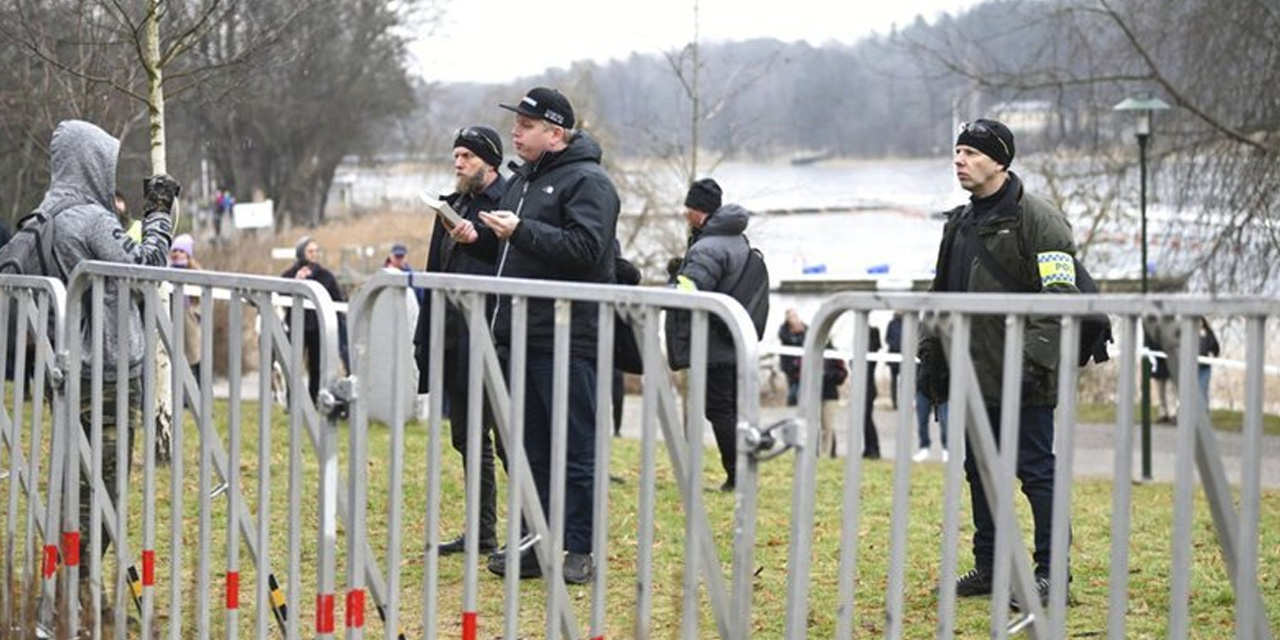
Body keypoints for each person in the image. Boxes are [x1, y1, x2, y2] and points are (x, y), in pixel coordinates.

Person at [919, 118, 1078, 610]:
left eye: (970, 152)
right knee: (980, 471)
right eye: (957, 152)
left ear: (1000, 161)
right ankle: (989, 566)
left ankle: (1052, 574)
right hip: (970, 375)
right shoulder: (959, 222)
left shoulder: (1040, 219)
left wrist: (1032, 363)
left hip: (1025, 375)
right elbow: (941, 293)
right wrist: (931, 354)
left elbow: (1061, 295)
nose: (959, 161)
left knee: (1036, 473)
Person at [475, 88, 620, 585]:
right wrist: (478, 240)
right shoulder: (522, 181)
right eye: (516, 122)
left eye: (526, 124)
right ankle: (534, 543)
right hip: (520, 334)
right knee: (529, 450)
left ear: (555, 134)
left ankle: (579, 548)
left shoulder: (590, 182)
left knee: (576, 449)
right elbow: (517, 254)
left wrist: (520, 233)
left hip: (568, 337)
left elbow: (586, 249)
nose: (515, 131)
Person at [34, 120, 178, 590]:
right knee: (102, 493)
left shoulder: (47, 215)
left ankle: (63, 585)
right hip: (109, 375)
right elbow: (146, 267)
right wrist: (159, 214)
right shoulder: (91, 219)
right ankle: (78, 592)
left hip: (71, 367)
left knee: (73, 485)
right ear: (90, 163)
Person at [412, 124, 508, 557]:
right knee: (467, 437)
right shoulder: (450, 207)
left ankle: (533, 531)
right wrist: (426, 333)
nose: (458, 163)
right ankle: (483, 532)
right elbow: (435, 270)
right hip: (453, 335)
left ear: (489, 161)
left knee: (508, 438)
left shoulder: (508, 203)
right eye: (456, 156)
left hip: (492, 333)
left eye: (467, 157)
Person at [668, 177, 759, 491]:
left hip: (714, 343)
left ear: (699, 211)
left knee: (719, 409)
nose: (684, 212)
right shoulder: (737, 239)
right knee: (733, 407)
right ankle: (742, 471)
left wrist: (674, 281)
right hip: (735, 336)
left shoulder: (708, 246)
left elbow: (690, 290)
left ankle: (737, 476)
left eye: (688, 206)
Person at [281, 236, 348, 403]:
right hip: (296, 326)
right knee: (293, 365)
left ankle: (313, 400)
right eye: (310, 251)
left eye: (316, 251)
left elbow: (337, 300)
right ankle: (292, 401)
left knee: (316, 366)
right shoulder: (289, 275)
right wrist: (296, 283)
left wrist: (339, 322)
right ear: (301, 253)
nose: (314, 254)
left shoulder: (326, 276)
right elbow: (279, 297)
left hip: (318, 328)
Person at [817, 345, 848, 458]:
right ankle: (814, 452)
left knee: (827, 426)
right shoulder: (810, 348)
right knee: (813, 426)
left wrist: (828, 376)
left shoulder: (833, 353)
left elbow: (842, 373)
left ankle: (826, 453)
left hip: (830, 394)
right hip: (814, 394)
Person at [861, 325, 883, 459]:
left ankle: (874, 448)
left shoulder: (870, 354)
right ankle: (869, 448)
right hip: (866, 387)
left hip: (868, 388)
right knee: (865, 419)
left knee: (867, 419)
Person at [778, 309, 807, 406]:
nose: (794, 318)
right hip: (789, 364)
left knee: (800, 385)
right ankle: (792, 403)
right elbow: (786, 339)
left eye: (795, 316)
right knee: (793, 385)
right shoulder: (784, 329)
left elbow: (807, 341)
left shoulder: (804, 328)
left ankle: (798, 403)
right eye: (791, 316)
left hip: (802, 363)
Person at [1197, 318, 1219, 409]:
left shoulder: (1209, 334)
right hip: (1193, 367)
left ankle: (1204, 414)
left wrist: (1211, 354)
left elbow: (1216, 349)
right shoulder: (1190, 333)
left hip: (1204, 367)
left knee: (1202, 391)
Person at [885, 312, 903, 409]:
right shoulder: (891, 324)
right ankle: (894, 403)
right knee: (894, 381)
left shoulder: (907, 322)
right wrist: (894, 345)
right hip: (893, 356)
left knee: (904, 381)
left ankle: (904, 401)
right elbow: (887, 338)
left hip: (905, 356)